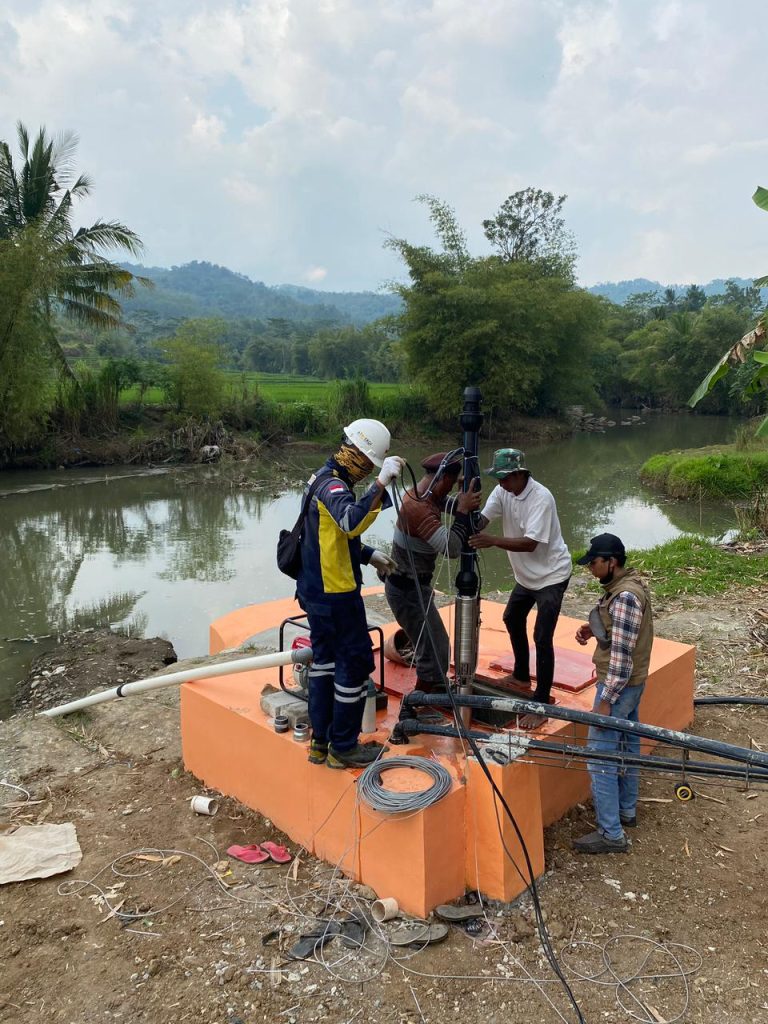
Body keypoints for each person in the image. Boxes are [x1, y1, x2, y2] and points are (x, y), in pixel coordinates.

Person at [296, 418, 404, 770]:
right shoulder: (335, 488)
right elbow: (350, 522)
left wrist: (367, 554)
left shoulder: (320, 479)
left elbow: (327, 537)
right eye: (368, 464)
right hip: (336, 595)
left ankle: (320, 743)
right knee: (354, 665)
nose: (365, 471)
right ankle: (343, 745)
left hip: (314, 592)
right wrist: (381, 483)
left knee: (324, 664)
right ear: (357, 455)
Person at [469, 448, 571, 729]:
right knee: (512, 618)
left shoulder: (541, 498)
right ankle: (522, 675)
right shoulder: (504, 493)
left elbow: (530, 543)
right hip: (526, 576)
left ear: (518, 475)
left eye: (504, 479)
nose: (500, 484)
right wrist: (464, 511)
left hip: (552, 574)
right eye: (498, 479)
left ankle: (540, 704)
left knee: (542, 636)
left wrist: (491, 540)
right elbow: (483, 520)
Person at [572, 533, 654, 854]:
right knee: (628, 743)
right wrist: (594, 629)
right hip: (633, 685)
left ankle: (611, 833)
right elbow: (621, 634)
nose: (590, 568)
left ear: (611, 562)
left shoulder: (625, 598)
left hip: (618, 686)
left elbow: (621, 658)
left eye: (593, 562)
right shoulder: (625, 588)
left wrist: (606, 702)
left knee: (600, 754)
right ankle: (626, 811)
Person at [384, 452, 481, 702]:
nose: (450, 488)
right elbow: (451, 548)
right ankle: (417, 705)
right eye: (450, 482)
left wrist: (463, 504)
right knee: (434, 648)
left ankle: (434, 691)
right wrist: (461, 509)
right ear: (441, 478)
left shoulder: (428, 496)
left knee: (434, 644)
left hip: (414, 587)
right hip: (406, 589)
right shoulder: (417, 506)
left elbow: (464, 515)